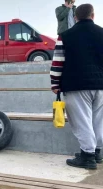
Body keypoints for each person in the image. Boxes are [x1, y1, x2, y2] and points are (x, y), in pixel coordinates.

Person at [50, 3, 103, 170]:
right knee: (98, 120)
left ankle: (87, 156)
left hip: (76, 84)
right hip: (101, 85)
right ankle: (97, 152)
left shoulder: (65, 35)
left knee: (82, 121)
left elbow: (58, 62)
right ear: (93, 16)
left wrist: (55, 83)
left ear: (75, 17)